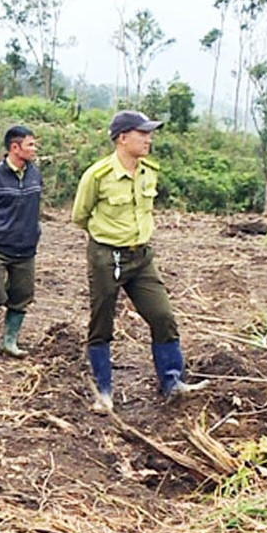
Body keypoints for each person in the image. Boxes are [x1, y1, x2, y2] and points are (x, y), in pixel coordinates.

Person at [71, 110, 205, 413]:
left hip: (141, 257)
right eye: (142, 133)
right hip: (107, 256)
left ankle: (172, 382)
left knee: (163, 316)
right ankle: (103, 392)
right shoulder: (97, 176)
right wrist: (108, 238)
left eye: (149, 133)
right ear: (122, 138)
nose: (149, 139)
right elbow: (80, 215)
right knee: (102, 322)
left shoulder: (148, 171)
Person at [0, 126, 42, 357]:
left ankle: (10, 340)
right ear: (15, 147)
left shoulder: (35, 173)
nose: (34, 149)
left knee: (22, 295)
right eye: (30, 144)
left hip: (26, 247)